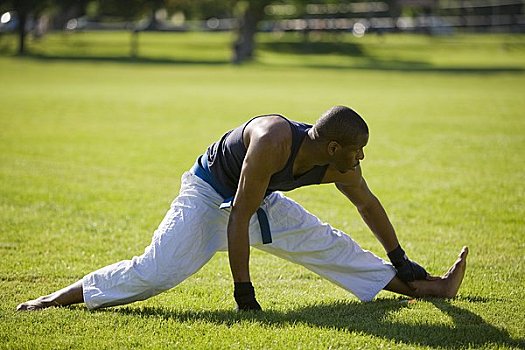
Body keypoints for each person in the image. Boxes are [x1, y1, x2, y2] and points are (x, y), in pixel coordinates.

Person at [17, 106, 468, 312]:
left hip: (257, 199)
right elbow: (237, 215)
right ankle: (57, 298)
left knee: (327, 244)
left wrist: (399, 256)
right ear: (334, 146)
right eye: (357, 151)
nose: (361, 159)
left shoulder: (339, 164)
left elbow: (368, 206)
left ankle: (429, 289)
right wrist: (244, 292)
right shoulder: (273, 141)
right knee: (155, 272)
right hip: (209, 195)